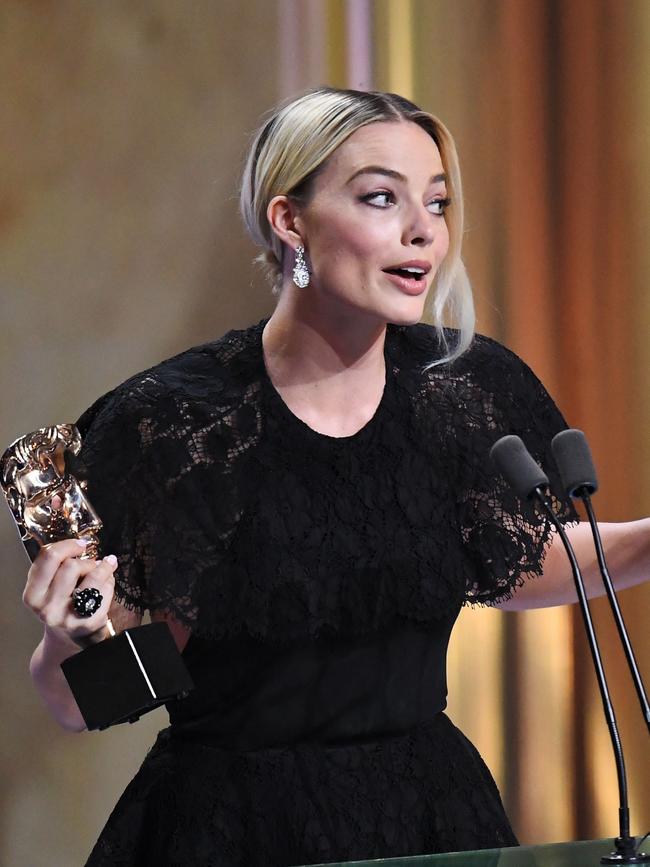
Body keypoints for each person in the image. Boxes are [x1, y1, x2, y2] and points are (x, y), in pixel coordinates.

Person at [21, 87, 650, 866]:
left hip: (429, 816)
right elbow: (83, 700)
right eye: (382, 198)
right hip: (231, 828)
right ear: (291, 222)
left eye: (438, 201)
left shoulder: (465, 385)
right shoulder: (179, 422)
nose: (424, 230)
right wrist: (68, 637)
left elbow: (513, 557)